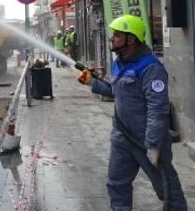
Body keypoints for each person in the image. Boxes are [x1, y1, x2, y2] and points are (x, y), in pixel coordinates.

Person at [77, 14, 187, 210]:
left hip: (147, 140)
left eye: (117, 35)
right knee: (116, 184)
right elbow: (114, 91)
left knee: (166, 188)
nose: (112, 39)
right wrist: (92, 82)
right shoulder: (119, 63)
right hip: (122, 137)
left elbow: (158, 108)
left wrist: (153, 143)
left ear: (131, 39)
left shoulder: (151, 67)